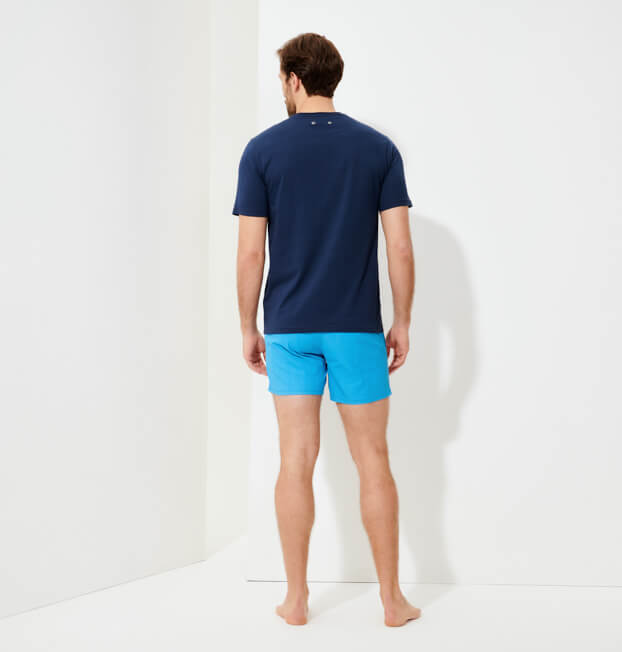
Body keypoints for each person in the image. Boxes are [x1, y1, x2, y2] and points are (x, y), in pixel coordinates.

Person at [232, 32, 419, 627]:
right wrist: (402, 320)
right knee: (373, 458)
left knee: (295, 459)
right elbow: (400, 247)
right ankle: (392, 601)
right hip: (356, 328)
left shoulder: (262, 151)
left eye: (281, 80)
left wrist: (247, 325)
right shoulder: (378, 149)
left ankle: (295, 599)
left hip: (288, 329)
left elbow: (250, 254)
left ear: (293, 79)